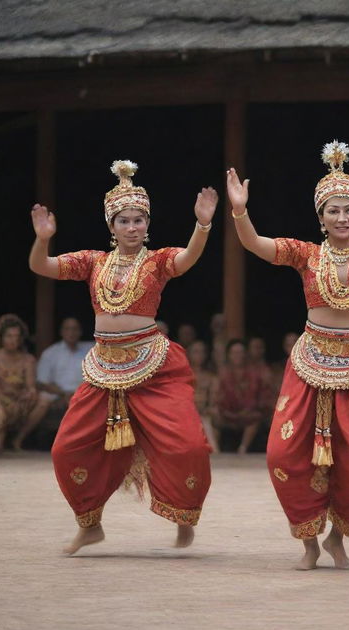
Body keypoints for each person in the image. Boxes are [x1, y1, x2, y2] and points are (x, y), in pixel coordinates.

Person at [227, 140, 349, 570]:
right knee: (283, 454)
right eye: (333, 210)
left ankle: (337, 538)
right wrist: (240, 211)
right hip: (309, 363)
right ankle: (309, 541)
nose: (342, 217)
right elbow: (255, 245)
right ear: (321, 217)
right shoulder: (306, 254)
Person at [28, 159, 216, 554]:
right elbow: (40, 266)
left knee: (188, 448)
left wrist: (202, 225)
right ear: (111, 227)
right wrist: (43, 238)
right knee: (66, 449)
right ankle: (90, 524)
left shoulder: (158, 260)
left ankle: (183, 518)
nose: (132, 227)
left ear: (147, 224)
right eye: (124, 221)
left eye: (138, 220)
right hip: (104, 369)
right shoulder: (93, 262)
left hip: (154, 366)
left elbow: (188, 259)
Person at [0, 314, 52, 453]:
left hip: (18, 400)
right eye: (9, 336)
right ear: (1, 337)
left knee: (43, 400)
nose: (13, 340)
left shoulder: (28, 360)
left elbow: (30, 386)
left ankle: (18, 439)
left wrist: (29, 392)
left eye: (16, 336)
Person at [216, 339, 269, 454]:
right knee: (214, 417)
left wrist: (248, 411)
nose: (237, 356)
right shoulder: (223, 375)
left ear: (245, 354)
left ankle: (243, 449)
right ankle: (216, 453)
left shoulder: (255, 374)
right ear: (229, 355)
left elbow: (260, 398)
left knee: (256, 419)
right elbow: (220, 400)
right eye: (234, 353)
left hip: (250, 415)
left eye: (240, 352)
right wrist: (232, 413)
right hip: (229, 415)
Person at [37, 317, 94, 409]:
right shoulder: (50, 352)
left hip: (83, 394)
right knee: (43, 398)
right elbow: (42, 382)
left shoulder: (90, 350)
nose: (71, 333)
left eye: (75, 329)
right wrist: (63, 394)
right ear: (61, 332)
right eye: (67, 329)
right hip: (57, 394)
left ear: (80, 332)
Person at [186, 339, 220, 453]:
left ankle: (214, 453)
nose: (199, 355)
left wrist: (207, 408)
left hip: (205, 413)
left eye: (202, 352)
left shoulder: (211, 377)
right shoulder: (183, 375)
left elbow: (213, 401)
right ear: (189, 354)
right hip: (186, 412)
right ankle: (215, 451)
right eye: (196, 352)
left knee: (206, 420)